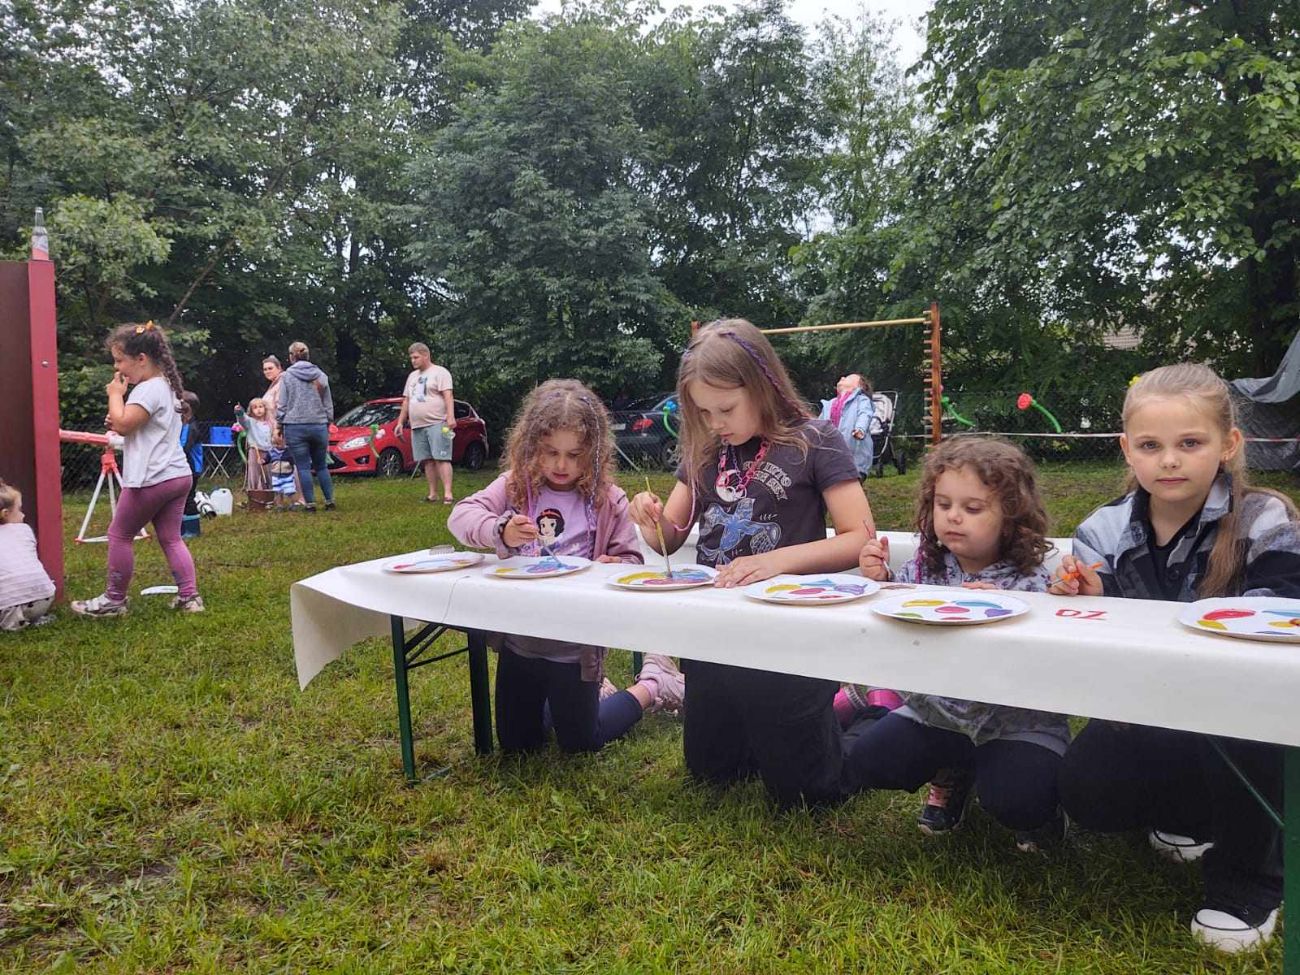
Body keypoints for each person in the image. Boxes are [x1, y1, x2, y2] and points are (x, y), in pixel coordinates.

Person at [1051, 363, 1300, 953]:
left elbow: (1283, 610)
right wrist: (1091, 597)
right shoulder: (1101, 527)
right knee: (1088, 792)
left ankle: (1250, 883)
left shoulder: (1268, 518)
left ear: (1228, 445)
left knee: (1245, 737)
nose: (1170, 460)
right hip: (1149, 702)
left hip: (1246, 705)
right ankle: (1189, 816)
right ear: (1127, 451)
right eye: (1151, 445)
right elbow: (1095, 630)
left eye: (1191, 443)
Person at [629, 319, 875, 807]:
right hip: (715, 630)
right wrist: (649, 519)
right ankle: (788, 730)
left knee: (808, 794)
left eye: (725, 408)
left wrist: (777, 561)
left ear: (762, 385)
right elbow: (668, 538)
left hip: (787, 633)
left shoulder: (815, 438)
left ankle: (863, 716)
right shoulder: (707, 449)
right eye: (703, 411)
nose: (715, 421)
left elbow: (859, 537)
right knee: (712, 772)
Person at [849, 437, 1069, 851]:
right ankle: (954, 771)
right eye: (943, 504)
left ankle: (1041, 811)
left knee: (1016, 798)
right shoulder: (921, 567)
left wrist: (1003, 608)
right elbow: (902, 620)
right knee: (870, 760)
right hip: (940, 715)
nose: (953, 517)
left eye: (972, 508)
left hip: (1018, 724)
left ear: (1011, 515)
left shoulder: (1032, 581)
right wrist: (879, 581)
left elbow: (1045, 658)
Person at [448, 379, 685, 753]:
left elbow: (631, 561)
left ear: (594, 452)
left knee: (581, 743)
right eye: (550, 452)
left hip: (574, 650)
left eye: (574, 455)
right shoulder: (515, 487)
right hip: (521, 643)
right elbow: (460, 516)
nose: (561, 465)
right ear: (530, 447)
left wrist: (612, 566)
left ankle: (652, 685)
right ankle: (567, 703)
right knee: (517, 746)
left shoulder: (608, 499)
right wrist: (501, 530)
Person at [71, 322, 203, 617]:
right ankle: (190, 597)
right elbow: (135, 428)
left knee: (119, 535)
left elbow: (123, 423)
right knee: (171, 538)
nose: (118, 369)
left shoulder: (146, 389)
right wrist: (120, 419)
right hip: (176, 475)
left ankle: (114, 600)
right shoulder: (165, 386)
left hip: (151, 479)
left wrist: (116, 395)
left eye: (120, 360)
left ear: (141, 358)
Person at [274, 341, 335, 512]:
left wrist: (279, 425)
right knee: (321, 465)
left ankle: (310, 504)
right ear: (308, 356)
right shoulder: (321, 375)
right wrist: (328, 420)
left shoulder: (286, 376)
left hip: (294, 426)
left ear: (291, 357)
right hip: (318, 424)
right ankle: (329, 500)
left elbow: (283, 404)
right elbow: (327, 402)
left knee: (303, 467)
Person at [394, 342, 455, 504]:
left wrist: (450, 417)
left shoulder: (440, 372)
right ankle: (432, 494)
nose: (413, 361)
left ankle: (448, 493)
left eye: (416, 357)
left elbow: (448, 396)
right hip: (417, 425)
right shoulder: (412, 377)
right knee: (427, 459)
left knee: (441, 457)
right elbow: (406, 400)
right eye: (411, 358)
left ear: (426, 355)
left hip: (437, 421)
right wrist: (401, 422)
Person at [0, 479, 56, 631]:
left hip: (6, 605)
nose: (23, 515)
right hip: (43, 599)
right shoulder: (24, 531)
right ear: (5, 514)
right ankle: (30, 619)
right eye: (19, 510)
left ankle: (12, 621)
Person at [819, 373, 874, 477]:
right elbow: (819, 425)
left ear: (859, 387)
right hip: (830, 461)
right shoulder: (829, 404)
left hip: (854, 461)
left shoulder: (861, 400)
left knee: (849, 487)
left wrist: (860, 429)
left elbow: (865, 414)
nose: (842, 378)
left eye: (848, 378)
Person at [179, 391, 203, 523]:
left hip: (192, 467)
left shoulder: (190, 427)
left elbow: (184, 447)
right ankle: (183, 524)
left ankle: (192, 527)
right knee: (184, 497)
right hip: (188, 466)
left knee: (188, 497)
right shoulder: (184, 425)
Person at [243, 398, 273, 492]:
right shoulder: (250, 422)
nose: (259, 409)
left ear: (265, 408)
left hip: (269, 451)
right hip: (255, 450)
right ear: (251, 411)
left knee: (269, 473)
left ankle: (269, 494)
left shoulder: (270, 423)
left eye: (261, 407)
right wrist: (239, 413)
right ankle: (254, 493)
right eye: (255, 408)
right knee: (254, 473)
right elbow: (242, 420)